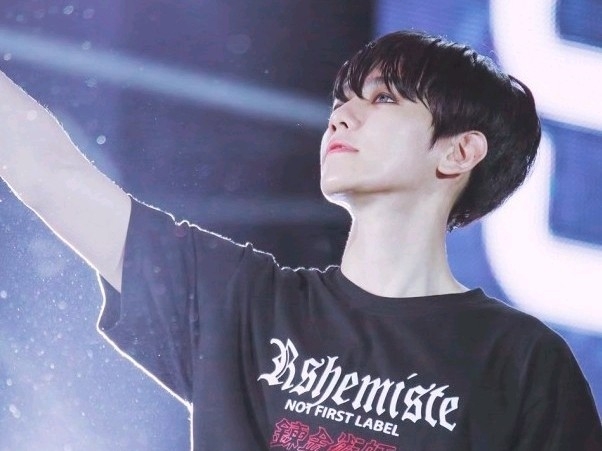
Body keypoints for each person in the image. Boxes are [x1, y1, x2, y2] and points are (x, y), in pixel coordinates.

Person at [0, 30, 600, 450]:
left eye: (383, 98)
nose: (341, 116)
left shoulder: (522, 361)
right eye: (341, 101)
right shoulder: (239, 300)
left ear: (460, 151)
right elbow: (48, 173)